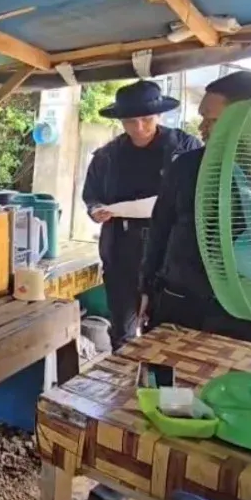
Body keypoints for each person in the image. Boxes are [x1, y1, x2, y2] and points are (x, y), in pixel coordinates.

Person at [140, 71, 251, 352]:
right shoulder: (186, 166)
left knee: (238, 380)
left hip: (246, 316)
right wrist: (147, 291)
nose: (202, 127)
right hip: (179, 307)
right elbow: (159, 231)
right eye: (202, 118)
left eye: (212, 120)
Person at [82, 80, 203, 351]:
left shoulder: (185, 148)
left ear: (159, 115)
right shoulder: (107, 156)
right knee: (122, 328)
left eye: (146, 119)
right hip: (121, 248)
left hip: (170, 250)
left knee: (165, 331)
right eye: (130, 121)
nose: (139, 127)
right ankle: (123, 373)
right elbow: (91, 195)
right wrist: (95, 209)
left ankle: (159, 376)